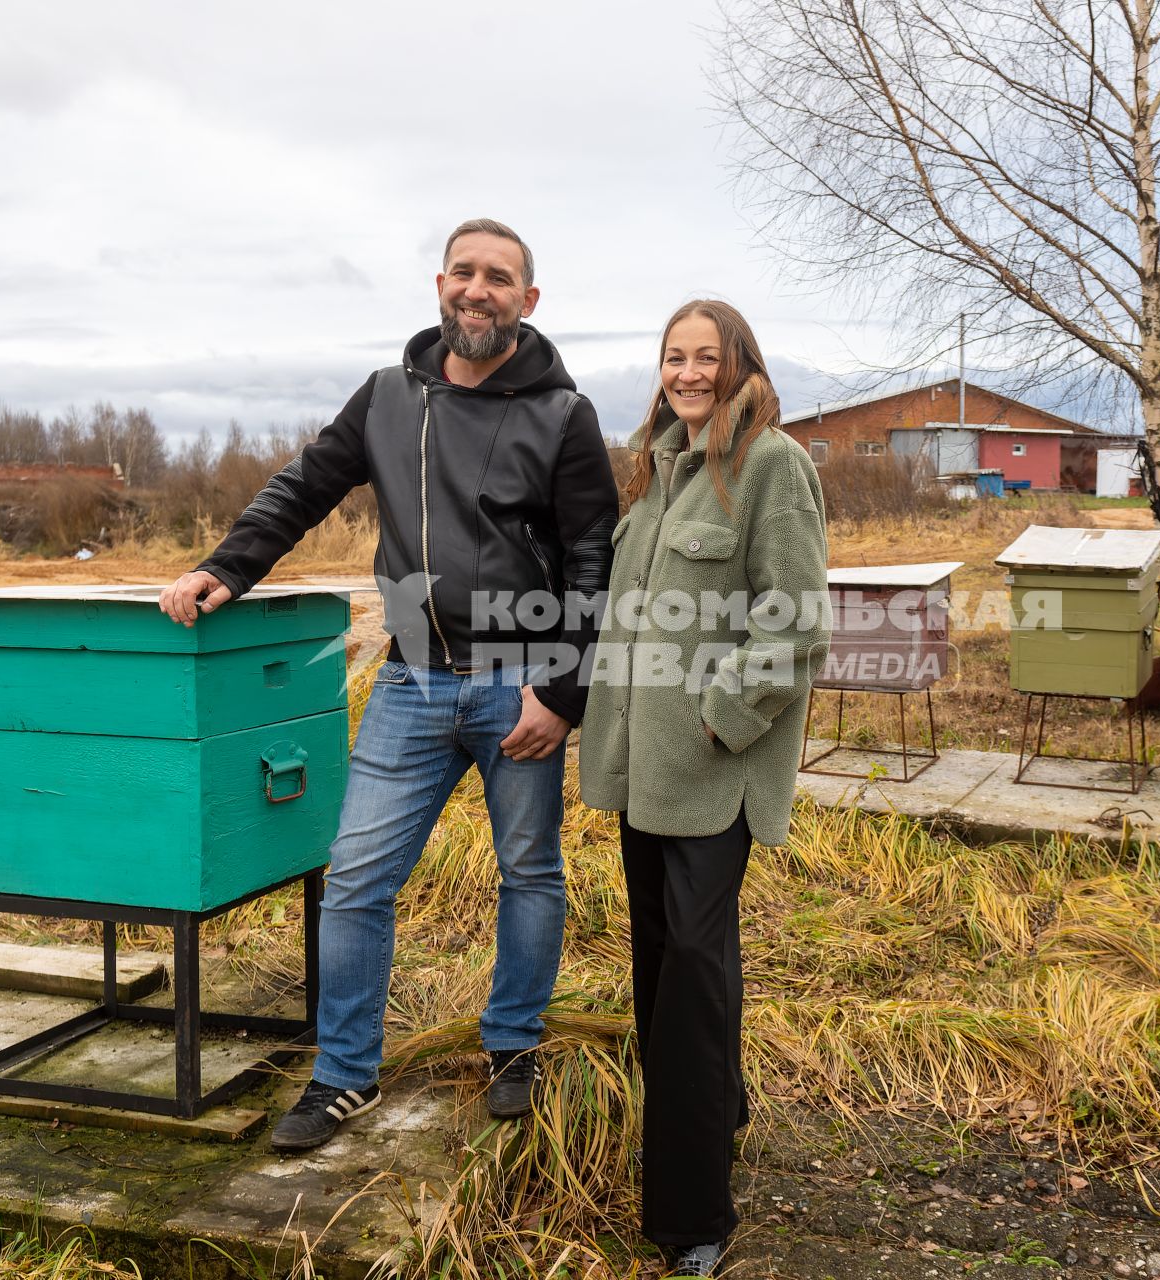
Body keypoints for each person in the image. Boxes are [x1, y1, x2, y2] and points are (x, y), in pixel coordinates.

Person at [160, 219, 618, 1151]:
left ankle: (512, 1046)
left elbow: (591, 561)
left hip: (520, 682)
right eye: (464, 273)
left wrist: (563, 693)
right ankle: (343, 1076)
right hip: (411, 684)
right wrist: (227, 568)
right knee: (359, 878)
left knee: (528, 869)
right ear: (439, 284)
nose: (478, 291)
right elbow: (302, 487)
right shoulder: (384, 398)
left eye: (500, 279)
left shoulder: (565, 416)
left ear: (528, 303)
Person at [578, 300, 829, 1277]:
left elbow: (796, 618)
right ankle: (718, 1104)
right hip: (645, 774)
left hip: (715, 772)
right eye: (674, 357)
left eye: (705, 356)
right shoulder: (659, 471)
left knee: (688, 970)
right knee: (664, 961)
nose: (688, 371)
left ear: (740, 365)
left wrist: (724, 718)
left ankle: (692, 1215)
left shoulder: (771, 463)